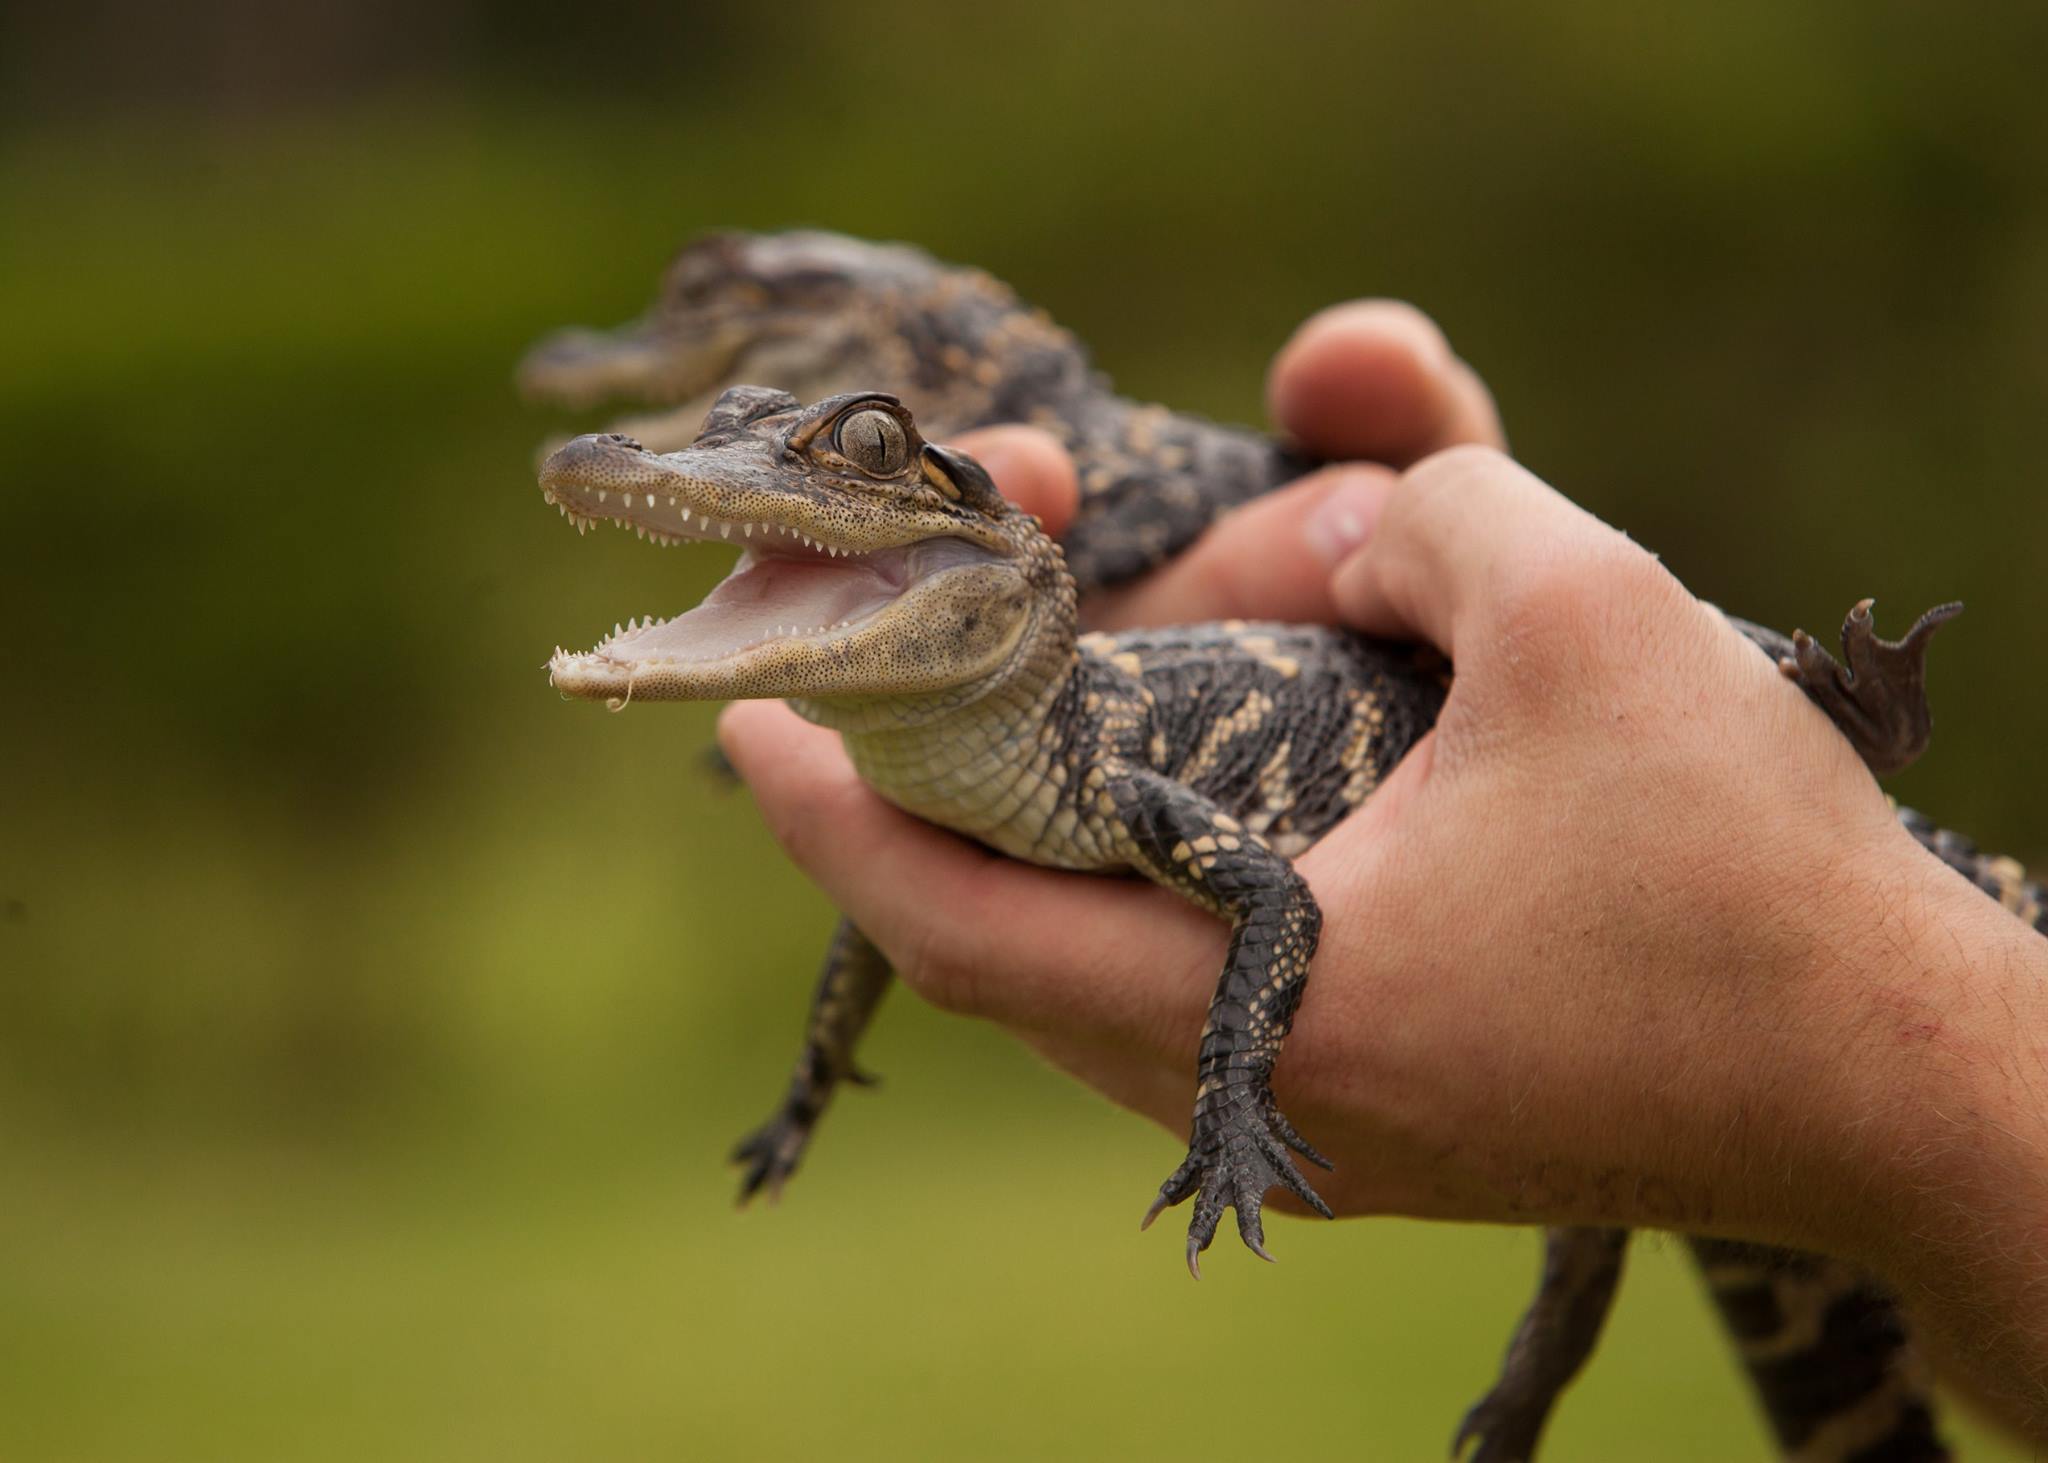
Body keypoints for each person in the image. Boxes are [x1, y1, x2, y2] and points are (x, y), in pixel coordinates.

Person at [718, 302, 2048, 1432]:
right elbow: (879, 924)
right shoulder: (979, 768)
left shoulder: (1085, 756)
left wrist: (1889, 1055)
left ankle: (1825, 704)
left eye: (867, 448)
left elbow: (1271, 897)